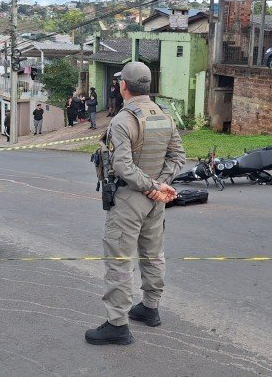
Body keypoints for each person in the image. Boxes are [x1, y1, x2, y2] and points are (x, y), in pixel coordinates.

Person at [85, 62, 186, 346]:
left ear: (123, 86)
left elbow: (123, 166)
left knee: (119, 259)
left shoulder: (123, 120)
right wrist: (160, 186)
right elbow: (178, 156)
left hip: (130, 199)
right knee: (153, 254)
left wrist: (154, 187)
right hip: (154, 203)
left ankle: (117, 324)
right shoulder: (164, 116)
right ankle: (150, 308)